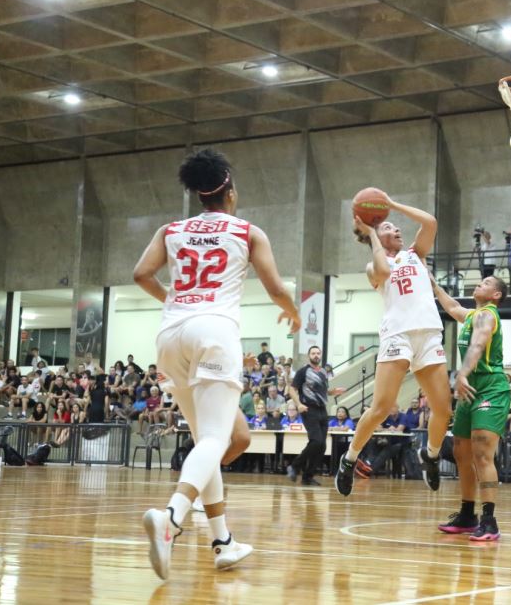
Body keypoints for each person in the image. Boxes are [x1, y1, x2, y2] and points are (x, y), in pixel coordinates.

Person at [134, 148, 300, 580]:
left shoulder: (171, 229)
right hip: (214, 331)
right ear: (230, 189)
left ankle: (222, 542)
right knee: (213, 437)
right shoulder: (247, 231)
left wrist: (174, 300)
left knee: (226, 437)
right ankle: (172, 517)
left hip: (170, 336)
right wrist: (295, 312)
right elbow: (276, 287)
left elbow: (141, 274)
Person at [336, 192, 452, 497]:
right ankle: (349, 460)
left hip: (428, 333)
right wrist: (372, 233)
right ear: (376, 231)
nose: (396, 229)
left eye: (396, 226)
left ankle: (430, 454)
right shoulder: (374, 265)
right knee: (382, 407)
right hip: (397, 334)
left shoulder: (416, 254)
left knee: (443, 409)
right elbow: (384, 272)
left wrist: (392, 205)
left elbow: (430, 222)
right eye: (389, 227)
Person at [432, 275, 509, 540]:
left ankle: (489, 521)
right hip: (470, 388)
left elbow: (478, 345)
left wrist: (462, 372)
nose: (480, 284)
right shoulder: (472, 315)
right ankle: (467, 514)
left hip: (490, 387)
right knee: (460, 451)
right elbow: (452, 307)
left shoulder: (488, 315)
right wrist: (433, 284)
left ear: (496, 295)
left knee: (482, 453)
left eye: (486, 282)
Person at [287, 346, 345, 486]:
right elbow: (291, 389)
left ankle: (307, 477)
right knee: (316, 442)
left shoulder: (324, 372)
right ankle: (294, 466)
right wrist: (299, 404)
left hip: (322, 410)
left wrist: (333, 392)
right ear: (309, 356)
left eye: (318, 353)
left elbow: (322, 391)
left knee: (322, 446)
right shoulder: (303, 371)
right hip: (308, 409)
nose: (316, 355)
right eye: (313, 353)